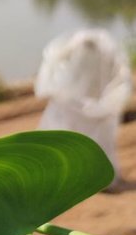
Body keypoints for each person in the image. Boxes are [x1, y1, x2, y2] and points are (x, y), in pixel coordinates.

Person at [35, 28, 133, 191]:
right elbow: (121, 77)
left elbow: (52, 64)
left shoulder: (72, 53)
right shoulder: (106, 54)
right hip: (90, 103)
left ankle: (79, 174)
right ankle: (97, 176)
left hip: (81, 103)